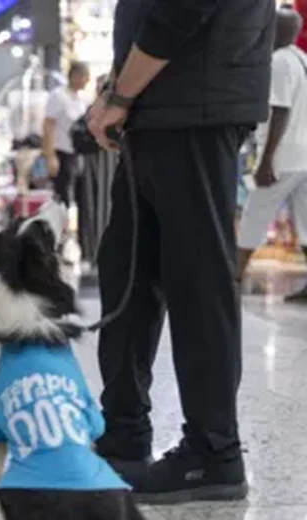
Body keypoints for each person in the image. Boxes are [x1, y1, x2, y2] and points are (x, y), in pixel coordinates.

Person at [87, 0, 275, 504]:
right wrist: (117, 91)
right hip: (159, 104)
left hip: (196, 102)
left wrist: (122, 92)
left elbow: (183, 7)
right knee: (126, 268)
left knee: (197, 279)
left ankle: (214, 452)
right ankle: (124, 432)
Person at [236, 8, 307, 303]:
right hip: (303, 156)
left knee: (255, 213)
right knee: (306, 220)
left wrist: (266, 160)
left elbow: (280, 111)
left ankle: (235, 276)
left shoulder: (278, 62)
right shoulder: (302, 59)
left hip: (282, 158)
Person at [42, 61, 90, 207]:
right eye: (85, 77)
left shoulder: (82, 99)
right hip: (61, 152)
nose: (87, 81)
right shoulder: (58, 96)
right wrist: (50, 156)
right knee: (62, 196)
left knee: (79, 195)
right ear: (75, 76)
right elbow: (48, 126)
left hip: (77, 153)